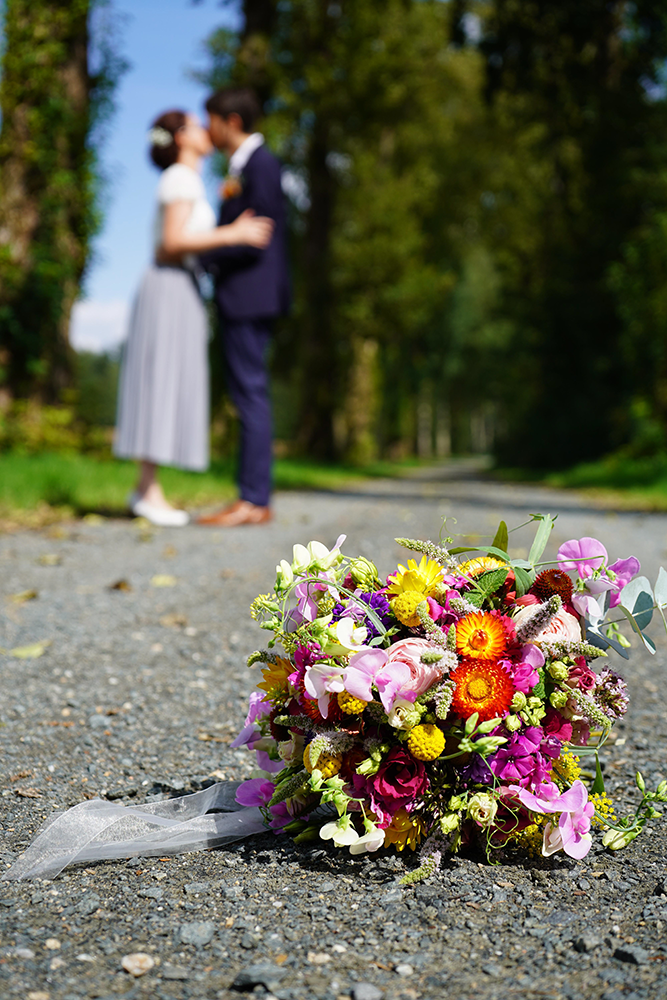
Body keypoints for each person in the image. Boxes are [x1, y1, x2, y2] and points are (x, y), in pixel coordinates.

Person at [114, 109, 274, 527]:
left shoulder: (189, 180)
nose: (206, 129)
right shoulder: (181, 179)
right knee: (159, 382)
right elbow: (171, 242)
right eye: (196, 124)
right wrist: (232, 234)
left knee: (165, 381)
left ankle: (146, 489)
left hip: (181, 286)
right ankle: (147, 491)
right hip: (169, 283)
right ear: (182, 137)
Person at [197, 88, 290, 528]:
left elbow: (257, 235)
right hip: (247, 295)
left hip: (250, 295)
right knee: (247, 392)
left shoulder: (260, 164)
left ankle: (253, 500)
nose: (207, 129)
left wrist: (206, 255)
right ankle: (253, 497)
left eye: (211, 120)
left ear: (231, 121)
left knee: (250, 393)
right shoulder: (244, 166)